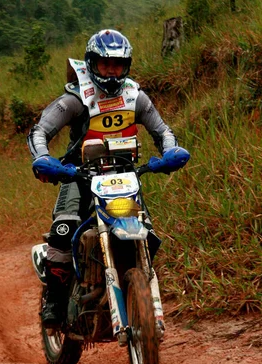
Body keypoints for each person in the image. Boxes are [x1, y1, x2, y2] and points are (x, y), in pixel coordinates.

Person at [27, 29, 178, 328]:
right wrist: (44, 159)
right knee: (63, 229)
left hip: (123, 175)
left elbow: (163, 131)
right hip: (77, 174)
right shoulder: (75, 98)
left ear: (127, 66)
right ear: (91, 64)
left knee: (145, 231)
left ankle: (136, 288)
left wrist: (170, 151)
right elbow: (40, 131)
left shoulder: (136, 97)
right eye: (105, 64)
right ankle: (54, 301)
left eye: (117, 65)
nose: (111, 71)